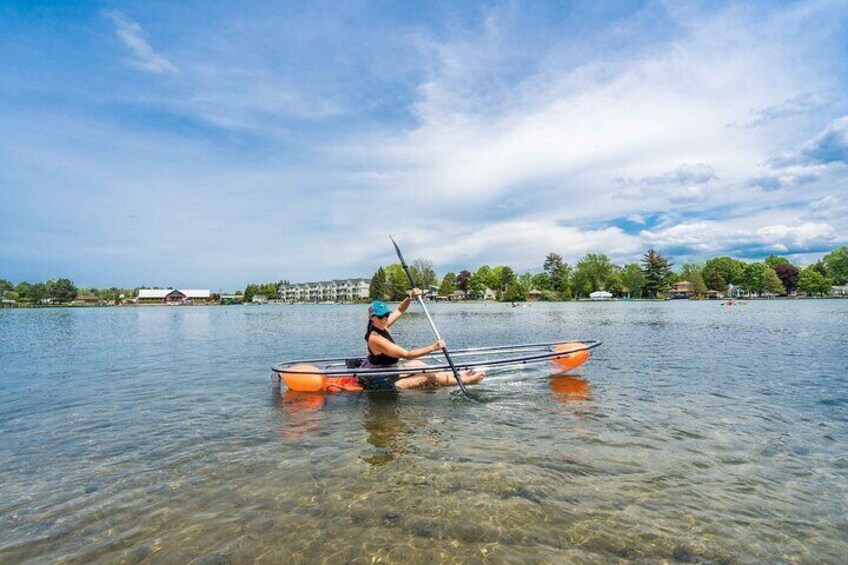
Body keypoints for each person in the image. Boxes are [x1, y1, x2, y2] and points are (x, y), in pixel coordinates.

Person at [360, 288, 485, 391]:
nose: (385, 318)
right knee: (428, 376)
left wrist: (410, 297)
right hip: (381, 381)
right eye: (381, 316)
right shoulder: (375, 338)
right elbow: (407, 355)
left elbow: (399, 310)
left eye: (387, 314)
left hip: (389, 370)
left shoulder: (382, 325)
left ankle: (456, 376)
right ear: (372, 318)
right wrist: (434, 347)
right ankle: (466, 381)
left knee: (418, 363)